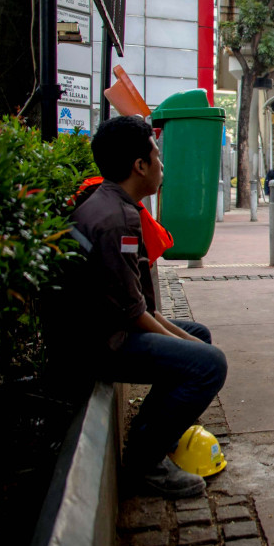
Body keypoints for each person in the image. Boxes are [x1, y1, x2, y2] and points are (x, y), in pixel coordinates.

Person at [67, 116, 228, 498]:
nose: (162, 165)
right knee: (210, 364)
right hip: (100, 344)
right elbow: (133, 315)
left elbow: (138, 304)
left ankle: (157, 431)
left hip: (105, 326)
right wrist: (194, 350)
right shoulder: (117, 221)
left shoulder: (109, 202)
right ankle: (144, 462)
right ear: (139, 166)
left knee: (199, 336)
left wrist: (190, 342)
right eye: (156, 155)